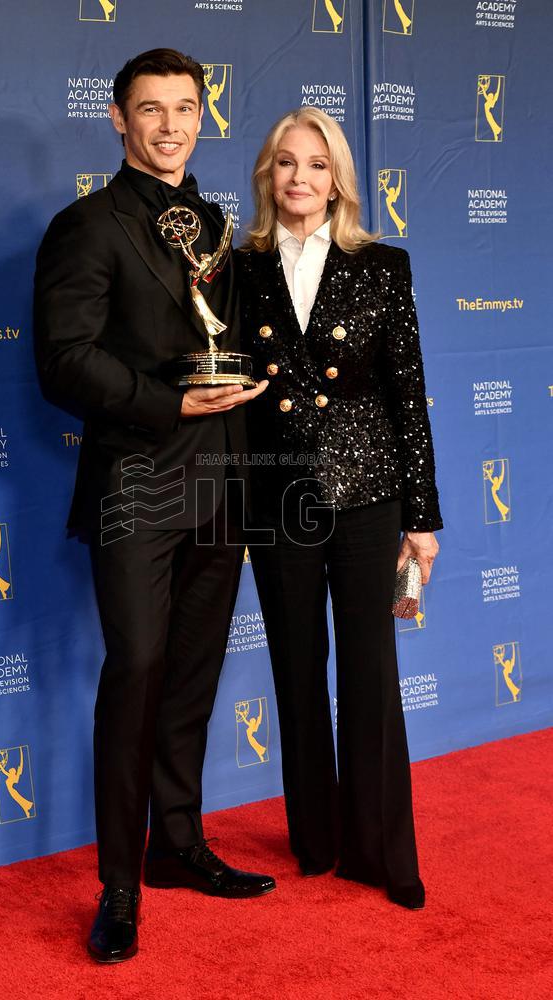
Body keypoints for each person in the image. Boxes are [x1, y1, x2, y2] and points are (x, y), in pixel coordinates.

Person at [34, 49, 273, 965]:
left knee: (190, 678)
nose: (169, 125)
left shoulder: (215, 226)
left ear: (203, 116)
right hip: (137, 480)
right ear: (117, 118)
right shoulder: (85, 227)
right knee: (135, 672)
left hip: (219, 486)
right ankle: (120, 885)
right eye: (150, 109)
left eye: (184, 108)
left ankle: (177, 847)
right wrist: (167, 401)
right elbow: (63, 361)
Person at [237, 107, 443, 910]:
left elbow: (407, 399)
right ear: (268, 176)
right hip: (275, 494)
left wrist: (421, 517)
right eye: (286, 163)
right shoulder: (237, 266)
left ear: (339, 179)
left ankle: (383, 852)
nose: (299, 178)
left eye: (316, 165)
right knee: (295, 670)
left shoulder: (383, 265)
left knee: (370, 673)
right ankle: (315, 840)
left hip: (367, 495)